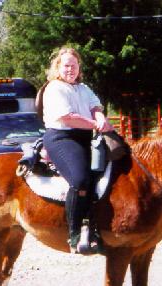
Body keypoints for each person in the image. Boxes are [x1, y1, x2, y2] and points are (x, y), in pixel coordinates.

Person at [42, 46, 114, 255]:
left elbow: (96, 107)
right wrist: (95, 124)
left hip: (84, 137)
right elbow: (68, 117)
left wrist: (100, 118)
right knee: (80, 179)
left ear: (78, 67)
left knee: (105, 175)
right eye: (66, 66)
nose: (70, 70)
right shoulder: (54, 88)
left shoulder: (83, 88)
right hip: (61, 137)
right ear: (58, 67)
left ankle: (94, 228)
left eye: (73, 66)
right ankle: (73, 234)